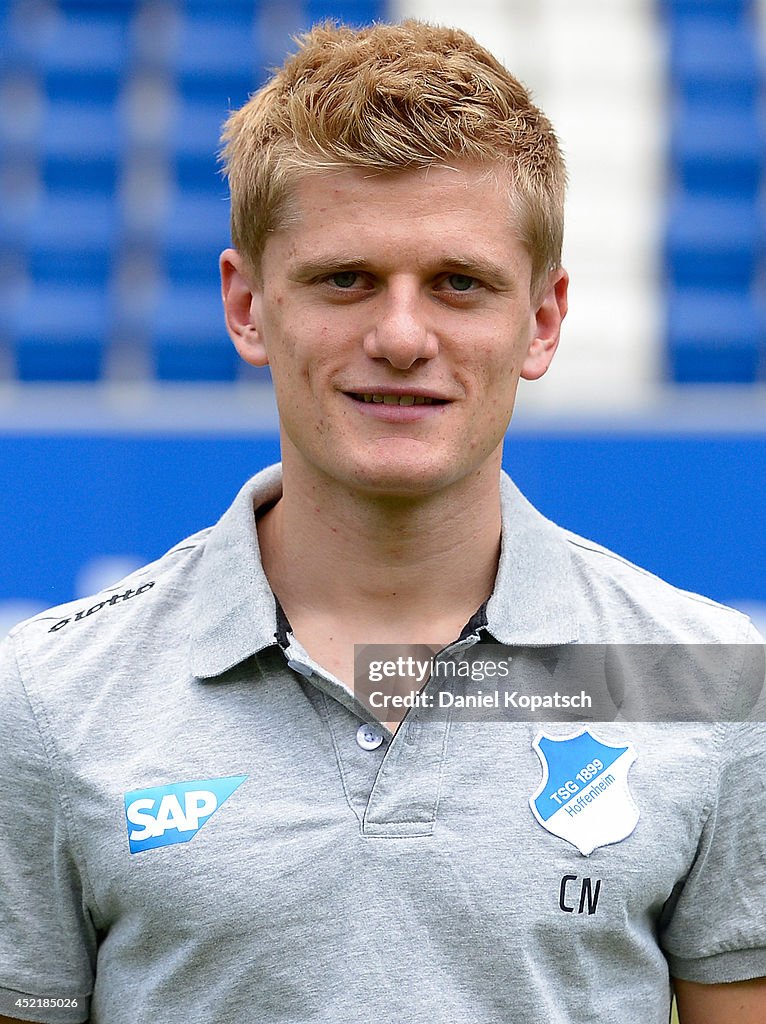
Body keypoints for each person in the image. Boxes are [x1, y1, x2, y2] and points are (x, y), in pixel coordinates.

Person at [0, 19, 764, 1024]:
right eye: (344, 279)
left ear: (540, 319)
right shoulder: (50, 697)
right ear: (246, 306)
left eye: (458, 283)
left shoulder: (702, 679)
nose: (401, 336)